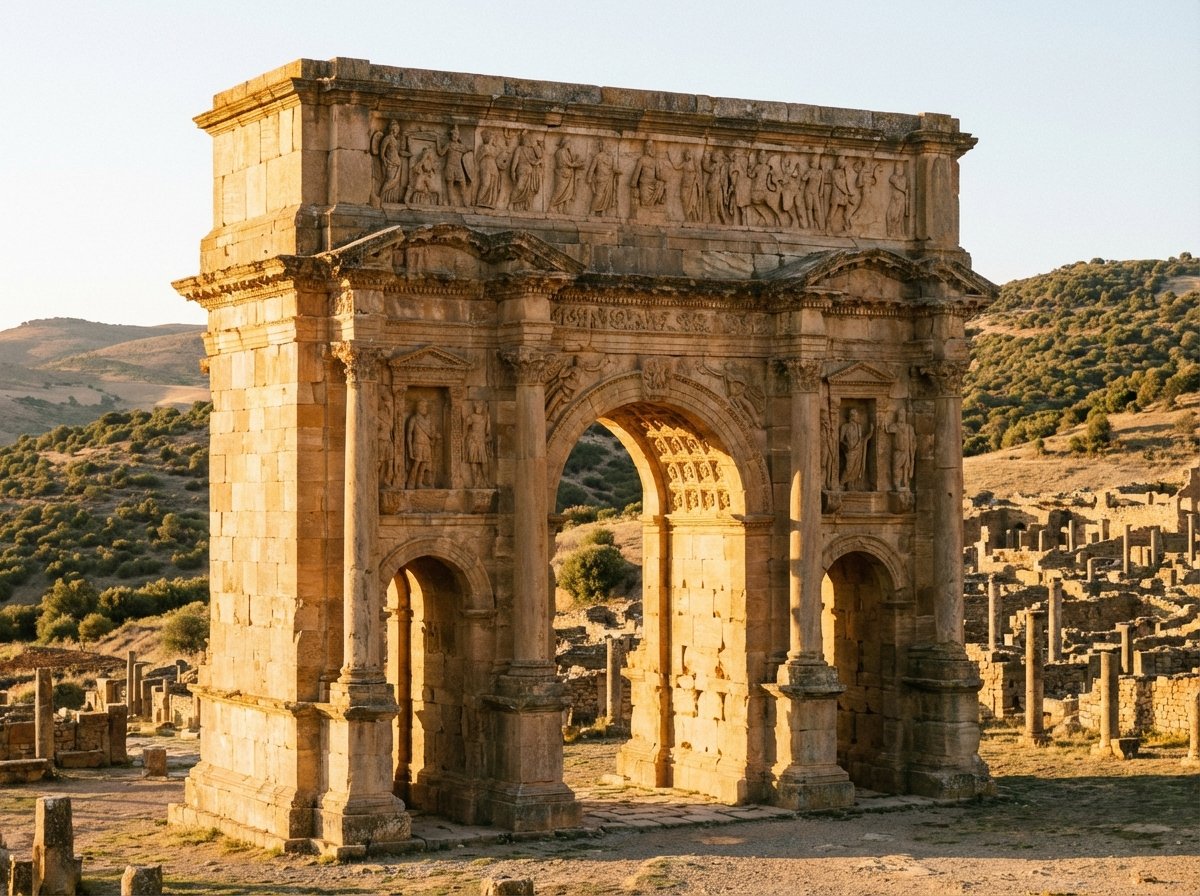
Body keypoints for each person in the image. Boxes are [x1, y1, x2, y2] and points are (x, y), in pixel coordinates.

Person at [839, 408, 873, 491]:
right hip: (850, 450)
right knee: (848, 467)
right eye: (856, 416)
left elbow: (862, 439)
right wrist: (846, 445)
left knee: (856, 468)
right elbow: (840, 439)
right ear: (852, 416)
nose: (858, 417)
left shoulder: (859, 427)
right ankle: (841, 483)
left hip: (858, 449)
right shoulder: (845, 426)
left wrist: (871, 432)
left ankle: (851, 485)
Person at [405, 399, 437, 488]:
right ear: (418, 408)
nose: (424, 408)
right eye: (422, 406)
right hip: (417, 444)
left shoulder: (428, 420)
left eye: (425, 406)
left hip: (426, 444)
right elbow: (409, 434)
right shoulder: (414, 419)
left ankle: (419, 483)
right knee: (416, 463)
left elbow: (431, 433)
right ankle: (410, 483)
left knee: (424, 464)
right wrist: (410, 449)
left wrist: (434, 435)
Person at [886, 407, 916, 492]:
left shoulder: (909, 427)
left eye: (903, 414)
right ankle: (897, 485)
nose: (901, 416)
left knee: (905, 468)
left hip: (906, 452)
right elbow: (889, 428)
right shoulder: (895, 426)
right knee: (896, 468)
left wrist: (912, 448)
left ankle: (905, 484)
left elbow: (913, 440)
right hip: (898, 451)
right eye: (900, 414)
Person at [585, 140, 618, 216]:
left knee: (606, 196)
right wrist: (589, 177)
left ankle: (602, 211)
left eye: (602, 145)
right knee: (598, 195)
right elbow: (592, 168)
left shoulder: (610, 158)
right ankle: (592, 210)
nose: (601, 147)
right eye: (600, 145)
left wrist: (618, 171)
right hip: (600, 178)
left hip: (608, 178)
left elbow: (613, 168)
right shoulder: (598, 156)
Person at [463, 401, 490, 487]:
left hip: (481, 440)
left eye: (480, 407)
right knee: (473, 461)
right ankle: (476, 481)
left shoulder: (484, 418)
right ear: (474, 408)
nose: (479, 408)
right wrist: (464, 437)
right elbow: (465, 428)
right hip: (473, 440)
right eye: (477, 407)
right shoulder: (471, 417)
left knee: (483, 461)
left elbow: (488, 431)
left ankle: (486, 480)